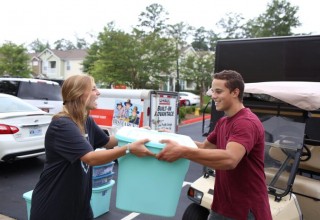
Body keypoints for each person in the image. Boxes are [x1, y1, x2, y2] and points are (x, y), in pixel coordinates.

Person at [30, 74, 155, 220]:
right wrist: (128, 149)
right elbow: (91, 158)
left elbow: (108, 142)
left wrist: (137, 134)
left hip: (79, 205)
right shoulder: (62, 124)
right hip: (54, 206)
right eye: (94, 89)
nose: (98, 93)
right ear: (79, 94)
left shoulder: (85, 120)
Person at [157, 70, 272, 220]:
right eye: (213, 91)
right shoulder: (224, 121)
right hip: (222, 206)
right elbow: (204, 148)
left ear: (235, 92)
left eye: (218, 91)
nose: (213, 96)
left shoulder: (245, 122)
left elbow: (230, 159)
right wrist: (174, 138)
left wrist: (182, 152)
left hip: (245, 210)